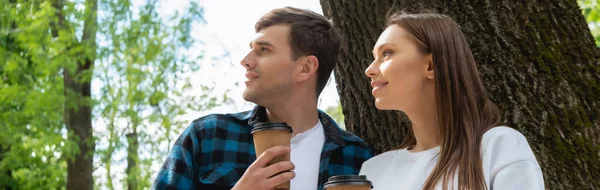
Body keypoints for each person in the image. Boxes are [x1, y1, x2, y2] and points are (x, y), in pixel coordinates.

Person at [153, 7, 373, 190]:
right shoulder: (208, 136)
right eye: (251, 49)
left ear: (305, 68)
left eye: (263, 50)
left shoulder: (356, 156)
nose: (246, 61)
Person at [359, 12, 544, 190]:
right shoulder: (373, 171)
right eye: (375, 57)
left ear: (431, 66)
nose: (369, 69)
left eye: (387, 53)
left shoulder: (499, 147)